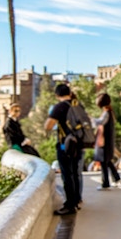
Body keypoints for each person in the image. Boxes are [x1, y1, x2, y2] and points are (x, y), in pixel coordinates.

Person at [45, 83, 82, 215]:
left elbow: (48, 125)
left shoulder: (59, 107)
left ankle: (70, 205)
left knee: (67, 174)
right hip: (78, 144)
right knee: (76, 173)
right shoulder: (77, 105)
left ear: (57, 95)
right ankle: (77, 200)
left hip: (65, 145)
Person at [93, 93, 121, 190]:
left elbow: (100, 122)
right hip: (108, 141)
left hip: (104, 142)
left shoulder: (106, 113)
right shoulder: (109, 112)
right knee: (107, 161)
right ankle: (117, 178)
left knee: (103, 162)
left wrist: (90, 119)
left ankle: (105, 183)